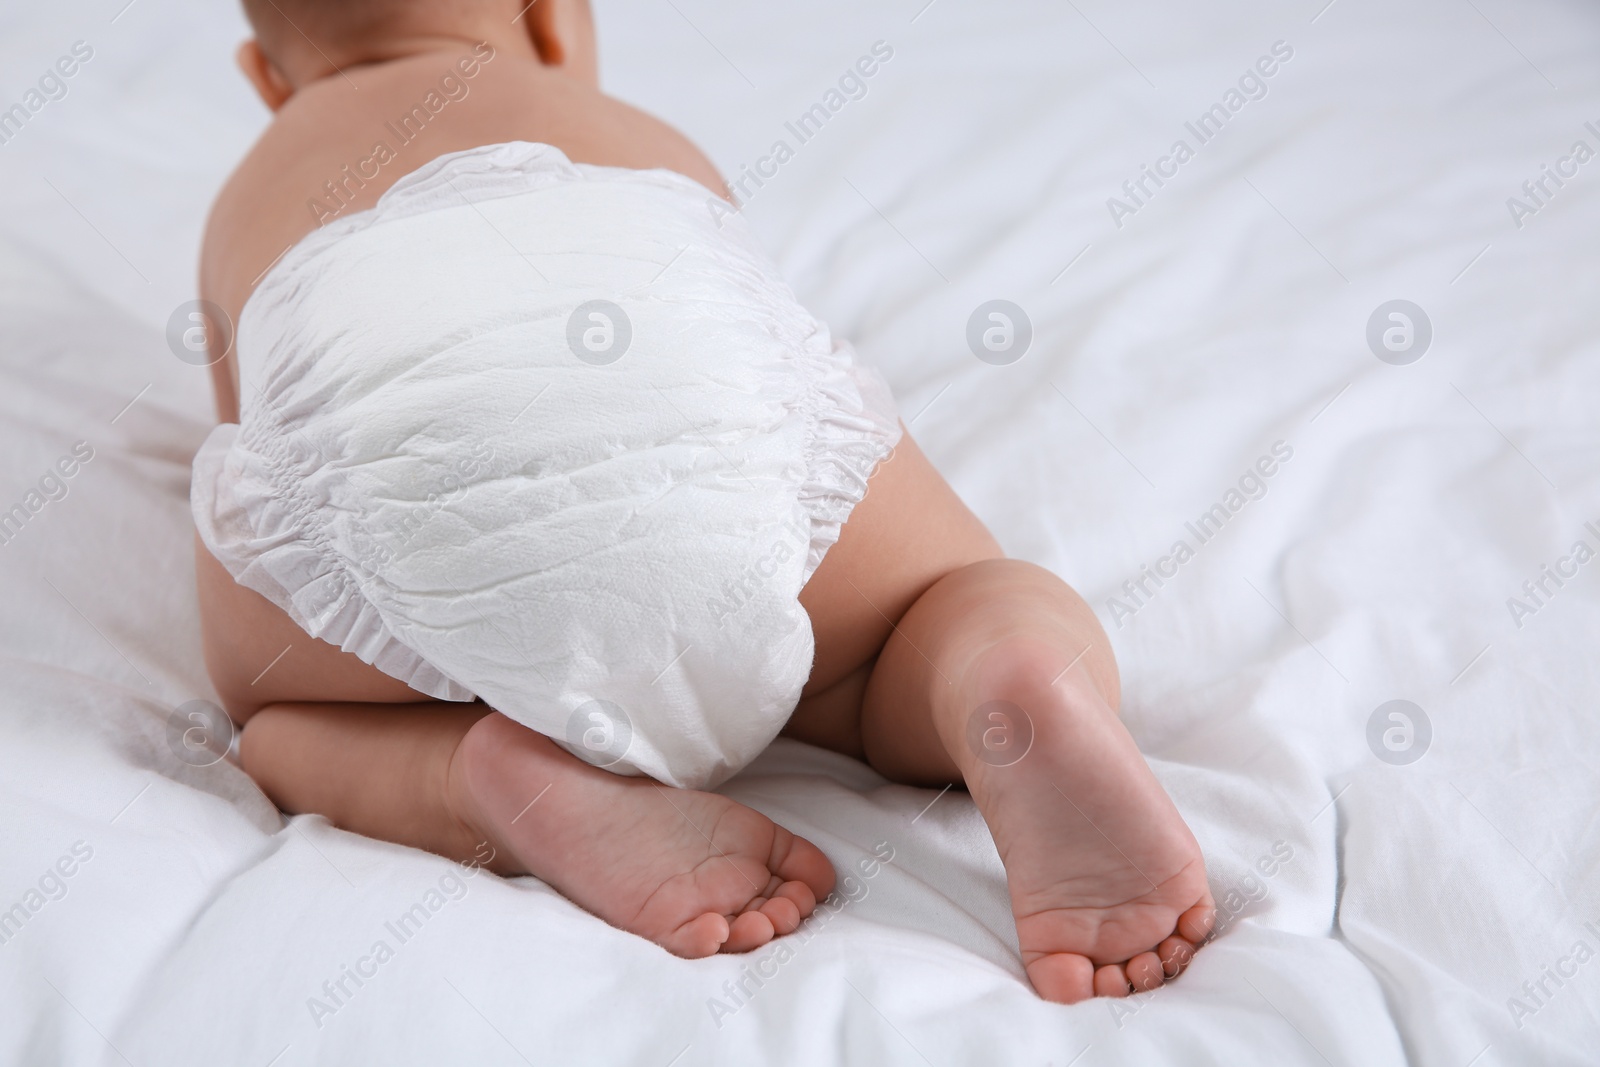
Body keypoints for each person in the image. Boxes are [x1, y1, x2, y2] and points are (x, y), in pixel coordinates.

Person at [191, 0, 1214, 1003]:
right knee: (933, 605)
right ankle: (993, 675)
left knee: (279, 717)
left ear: (263, 78)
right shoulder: (636, 138)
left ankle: (478, 775)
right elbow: (735, 296)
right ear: (555, 23)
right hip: (701, 424)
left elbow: (253, 427)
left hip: (407, 488)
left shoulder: (250, 190)